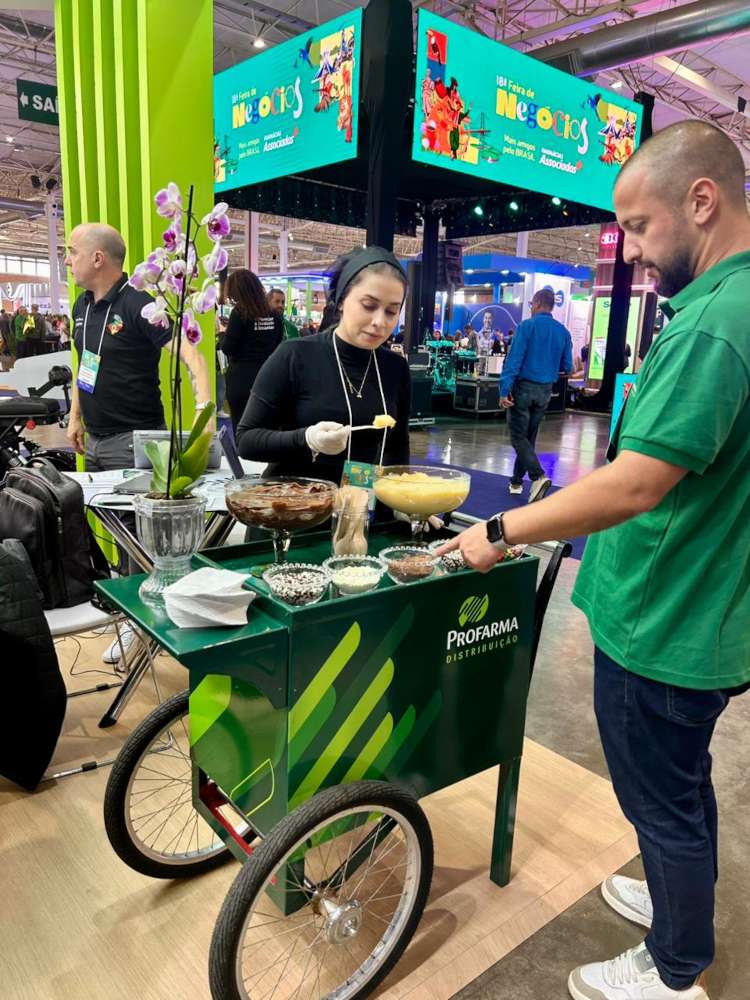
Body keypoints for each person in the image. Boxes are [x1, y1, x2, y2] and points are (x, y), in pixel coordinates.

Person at [439, 120, 750, 1000]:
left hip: (666, 619)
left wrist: (503, 530)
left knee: (661, 797)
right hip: (699, 607)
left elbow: (635, 483)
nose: (633, 251)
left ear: (702, 200)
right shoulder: (729, 305)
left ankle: (675, 967)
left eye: (640, 227)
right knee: (678, 784)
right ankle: (675, 902)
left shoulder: (716, 325)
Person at [236, 245, 410, 485]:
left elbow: (397, 447)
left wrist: (401, 494)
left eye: (391, 311)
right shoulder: (295, 355)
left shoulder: (395, 368)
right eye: (368, 306)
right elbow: (246, 440)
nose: (380, 321)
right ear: (341, 300)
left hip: (359, 502)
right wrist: (307, 438)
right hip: (293, 501)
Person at [65, 223, 211, 472]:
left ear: (97, 258)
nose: (68, 260)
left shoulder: (139, 303)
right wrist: (75, 417)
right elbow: (85, 363)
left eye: (73, 251)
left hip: (133, 443)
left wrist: (203, 413)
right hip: (93, 441)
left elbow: (192, 356)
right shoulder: (82, 305)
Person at [499, 288, 573, 501]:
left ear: (538, 303)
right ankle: (516, 481)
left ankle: (538, 476)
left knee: (518, 437)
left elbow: (514, 360)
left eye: (531, 304)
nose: (531, 307)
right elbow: (567, 367)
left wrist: (504, 390)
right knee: (528, 437)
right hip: (545, 391)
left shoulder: (527, 326)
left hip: (523, 389)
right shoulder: (563, 332)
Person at [223, 269, 284, 433]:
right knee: (267, 430)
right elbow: (278, 344)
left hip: (241, 379)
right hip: (269, 378)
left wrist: (223, 336)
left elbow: (229, 348)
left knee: (242, 429)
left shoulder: (240, 313)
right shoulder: (275, 315)